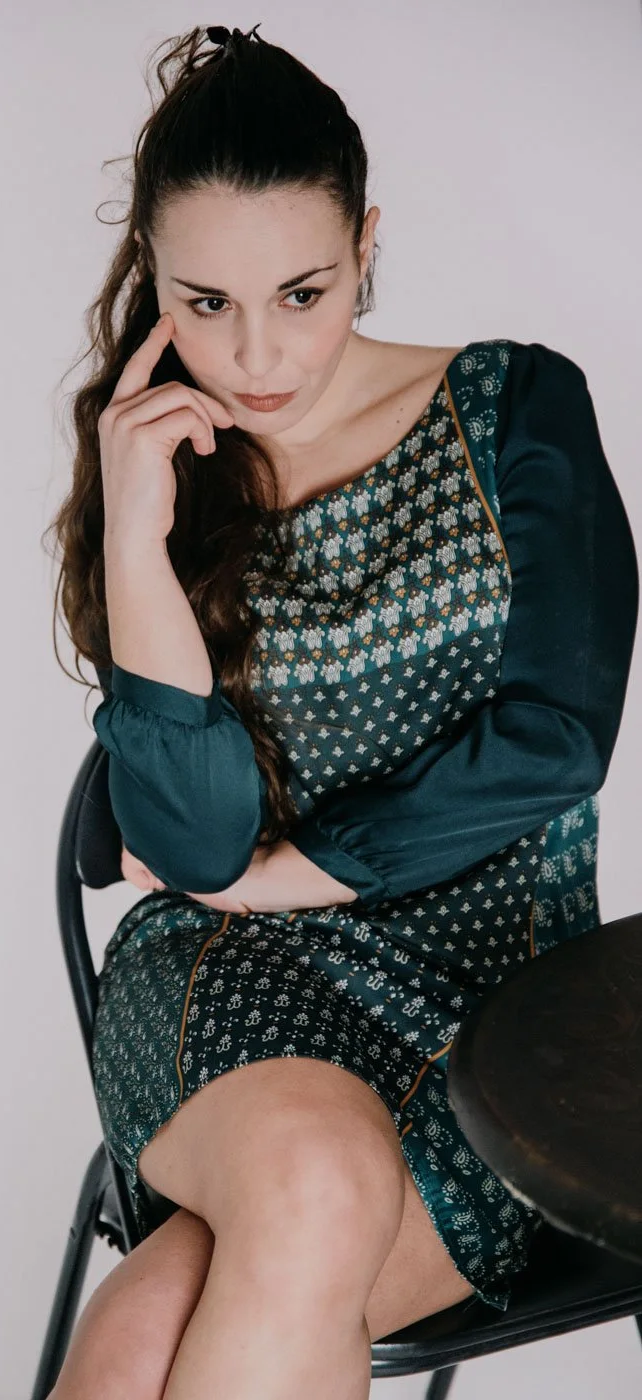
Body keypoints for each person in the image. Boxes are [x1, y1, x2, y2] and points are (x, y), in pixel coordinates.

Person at [43, 22, 639, 1400]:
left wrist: (297, 874)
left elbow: (556, 736)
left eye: (301, 293)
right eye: (202, 304)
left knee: (172, 1306)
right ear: (153, 280)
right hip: (228, 982)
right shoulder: (172, 472)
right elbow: (193, 855)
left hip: (502, 1023)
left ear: (365, 244)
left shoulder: (514, 408)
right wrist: (136, 539)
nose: (253, 354)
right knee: (305, 1180)